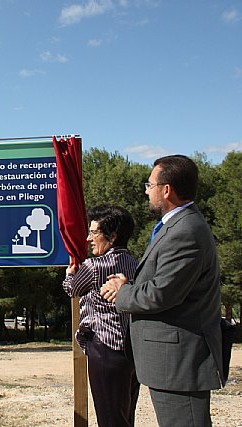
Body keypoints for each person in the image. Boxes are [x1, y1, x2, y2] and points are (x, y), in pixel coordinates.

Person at [101, 155, 223, 427]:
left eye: (150, 184)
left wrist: (122, 292)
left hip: (179, 364)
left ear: (166, 190)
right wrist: (130, 285)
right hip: (171, 363)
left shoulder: (185, 231)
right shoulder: (176, 226)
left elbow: (162, 293)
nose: (146, 190)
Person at [62, 205, 139, 427]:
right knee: (125, 416)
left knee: (109, 418)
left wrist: (69, 274)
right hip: (131, 351)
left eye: (94, 233)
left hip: (105, 349)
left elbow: (72, 289)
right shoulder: (136, 264)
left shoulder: (95, 266)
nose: (88, 238)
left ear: (112, 236)